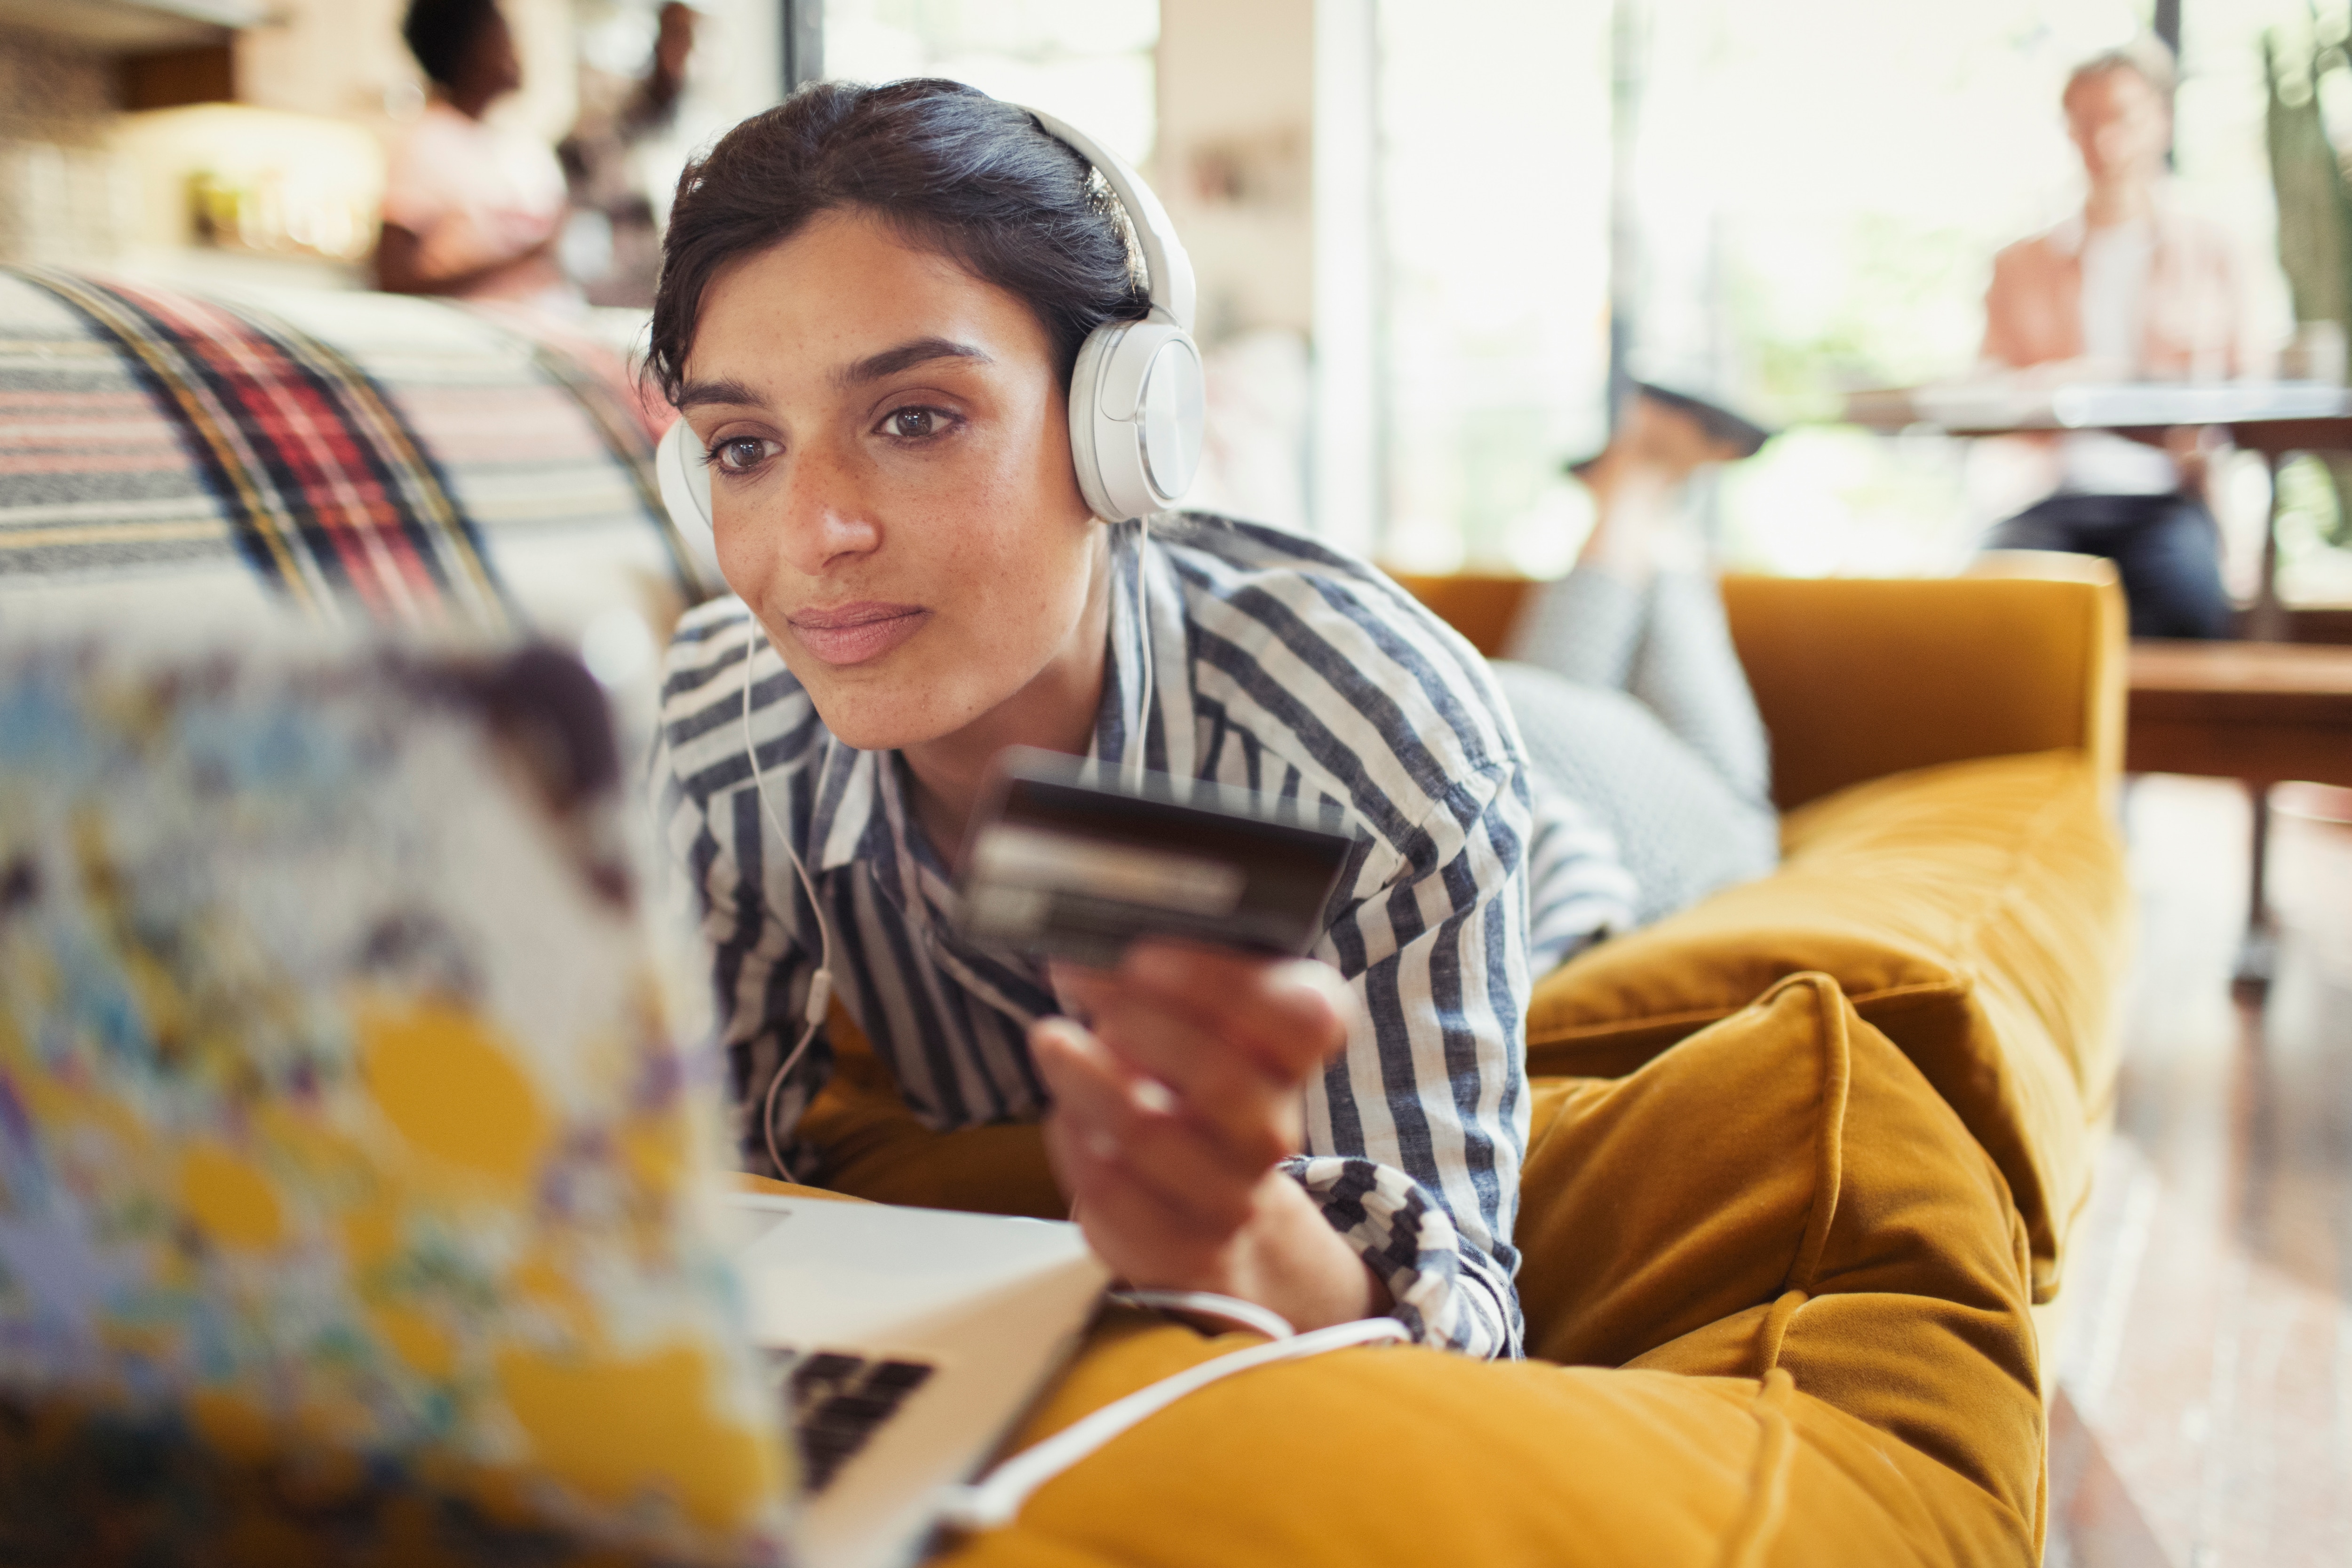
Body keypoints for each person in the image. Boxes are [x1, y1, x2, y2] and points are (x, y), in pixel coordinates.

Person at [644, 81, 1631, 1357]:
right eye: (741, 448)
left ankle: (1636, 506)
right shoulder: (728, 723)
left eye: (915, 418)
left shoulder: (1386, 749)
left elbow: (1460, 1318)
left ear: (1127, 428)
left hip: (1592, 821)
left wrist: (1253, 1237)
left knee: (1618, 696)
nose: (814, 535)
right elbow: (689, 1185)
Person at [1978, 38, 2270, 639]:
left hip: (2168, 498)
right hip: (2053, 494)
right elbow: (1987, 392)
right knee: (1989, 613)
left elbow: (2252, 388)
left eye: (2119, 119)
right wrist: (2048, 388)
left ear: (2159, 122)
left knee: (2188, 602)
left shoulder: (2216, 251)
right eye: (2084, 123)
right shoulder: (2019, 264)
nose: (2103, 142)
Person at [1494, 386, 1781, 934]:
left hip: (1534, 753)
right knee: (1556, 690)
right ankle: (1640, 490)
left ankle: (1636, 488)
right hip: (1684, 834)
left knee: (1549, 696)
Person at [378, 0, 579, 314]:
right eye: (501, 36)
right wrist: (521, 262)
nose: (515, 49)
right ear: (464, 50)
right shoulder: (426, 144)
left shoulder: (525, 146)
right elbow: (392, 281)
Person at [560, 1, 699, 308]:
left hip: (673, 306)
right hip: (616, 307)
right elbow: (578, 243)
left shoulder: (697, 129)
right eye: (672, 37)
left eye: (690, 41)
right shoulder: (597, 136)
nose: (680, 56)